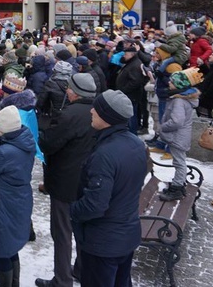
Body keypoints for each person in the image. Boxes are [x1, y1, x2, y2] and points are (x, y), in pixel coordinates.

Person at [70, 90, 147, 287]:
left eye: (97, 108)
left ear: (108, 116)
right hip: (125, 236)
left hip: (103, 242)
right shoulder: (135, 144)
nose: (91, 111)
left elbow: (96, 205)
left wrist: (73, 211)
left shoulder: (105, 154)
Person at [36, 74, 98, 287]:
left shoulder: (69, 114)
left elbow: (48, 144)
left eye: (69, 89)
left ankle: (62, 279)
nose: (67, 92)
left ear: (75, 92)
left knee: (62, 232)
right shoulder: (98, 112)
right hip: (89, 181)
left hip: (65, 181)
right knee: (82, 228)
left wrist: (43, 132)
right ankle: (81, 270)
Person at [0, 105, 36, 287]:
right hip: (19, 200)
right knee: (11, 247)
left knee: (2, 248)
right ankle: (14, 283)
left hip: (4, 204)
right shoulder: (24, 141)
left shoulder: (5, 153)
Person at [158, 69, 203, 201]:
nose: (169, 83)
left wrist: (162, 128)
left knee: (179, 162)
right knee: (180, 161)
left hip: (178, 136)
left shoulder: (179, 101)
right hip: (181, 135)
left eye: (172, 82)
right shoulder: (183, 98)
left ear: (179, 85)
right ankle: (179, 184)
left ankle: (177, 188)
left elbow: (177, 121)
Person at [115, 45, 148, 134]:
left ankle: (132, 133)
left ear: (132, 55)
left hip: (131, 96)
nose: (124, 56)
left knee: (131, 116)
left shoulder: (135, 65)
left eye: (126, 54)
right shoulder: (131, 63)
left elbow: (135, 81)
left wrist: (123, 89)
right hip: (129, 95)